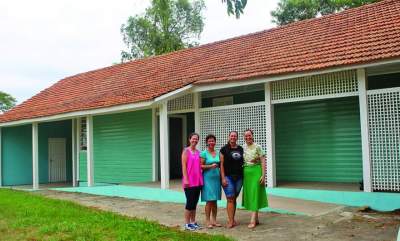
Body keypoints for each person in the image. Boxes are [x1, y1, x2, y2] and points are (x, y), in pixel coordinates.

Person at [242, 129, 268, 229]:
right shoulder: (242, 147)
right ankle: (256, 218)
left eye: (249, 135)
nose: (248, 137)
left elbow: (262, 161)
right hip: (246, 173)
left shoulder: (258, 147)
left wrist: (263, 175)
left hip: (256, 172)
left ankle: (252, 219)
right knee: (251, 195)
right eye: (246, 136)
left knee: (255, 193)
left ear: (252, 136)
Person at [220, 131, 244, 228]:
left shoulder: (240, 149)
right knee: (230, 198)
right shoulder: (224, 149)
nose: (233, 137)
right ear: (229, 137)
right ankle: (230, 221)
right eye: (231, 136)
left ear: (237, 138)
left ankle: (233, 219)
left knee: (234, 198)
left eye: (235, 136)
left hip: (239, 177)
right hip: (228, 177)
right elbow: (221, 165)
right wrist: (223, 178)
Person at [181, 133, 203, 231]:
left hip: (197, 181)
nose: (195, 140)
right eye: (193, 139)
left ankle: (193, 222)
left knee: (194, 202)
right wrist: (186, 179)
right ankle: (187, 223)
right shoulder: (186, 151)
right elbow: (184, 166)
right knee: (189, 203)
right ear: (189, 139)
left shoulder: (199, 152)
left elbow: (201, 166)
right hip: (189, 181)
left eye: (196, 139)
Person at [200, 134, 222, 229]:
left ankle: (214, 220)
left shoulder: (218, 153)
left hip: (216, 179)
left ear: (215, 142)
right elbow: (200, 166)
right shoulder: (204, 153)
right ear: (207, 142)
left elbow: (221, 165)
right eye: (209, 141)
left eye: (213, 141)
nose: (211, 142)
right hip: (207, 179)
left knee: (215, 201)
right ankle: (208, 220)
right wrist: (210, 166)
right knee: (209, 200)